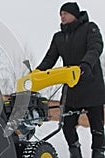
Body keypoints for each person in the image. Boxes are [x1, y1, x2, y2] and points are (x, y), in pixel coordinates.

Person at [36, 2, 105, 158]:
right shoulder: (59, 37)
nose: (62, 16)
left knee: (97, 128)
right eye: (60, 14)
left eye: (65, 13)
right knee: (67, 126)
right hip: (71, 89)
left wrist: (85, 64)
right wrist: (36, 74)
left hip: (91, 86)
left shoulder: (89, 28)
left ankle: (99, 154)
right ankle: (75, 153)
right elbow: (50, 59)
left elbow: (96, 47)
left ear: (75, 14)